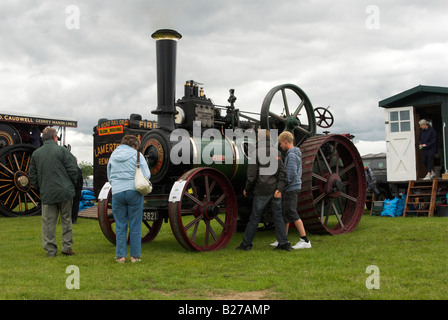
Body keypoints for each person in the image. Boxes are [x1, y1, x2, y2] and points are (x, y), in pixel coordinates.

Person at [236, 129, 291, 251]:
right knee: (278, 217)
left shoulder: (255, 153)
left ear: (258, 139)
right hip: (275, 190)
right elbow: (283, 173)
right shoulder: (276, 152)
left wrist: (246, 189)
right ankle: (284, 243)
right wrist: (279, 188)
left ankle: (246, 244)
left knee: (254, 218)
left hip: (261, 190)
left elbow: (251, 175)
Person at [29, 127, 79, 257]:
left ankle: (51, 250)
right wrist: (70, 184)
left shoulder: (36, 154)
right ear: (55, 137)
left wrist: (40, 188)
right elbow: (73, 169)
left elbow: (32, 175)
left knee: (48, 223)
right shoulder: (62, 151)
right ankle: (67, 247)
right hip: (65, 192)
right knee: (66, 220)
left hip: (47, 192)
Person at [107, 135, 150, 263]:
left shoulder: (113, 155)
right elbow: (147, 174)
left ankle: (120, 256)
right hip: (134, 191)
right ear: (134, 145)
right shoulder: (137, 155)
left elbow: (109, 176)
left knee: (120, 225)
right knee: (135, 224)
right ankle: (134, 256)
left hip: (117, 192)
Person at [274, 131, 311, 249]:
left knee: (291, 212)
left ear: (285, 141)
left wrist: (281, 187)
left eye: (281, 143)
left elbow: (290, 174)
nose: (280, 146)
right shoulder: (294, 154)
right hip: (292, 187)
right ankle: (283, 239)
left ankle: (305, 240)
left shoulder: (291, 155)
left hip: (291, 188)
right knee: (286, 214)